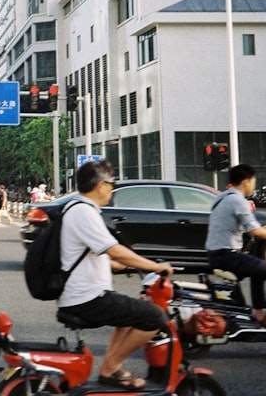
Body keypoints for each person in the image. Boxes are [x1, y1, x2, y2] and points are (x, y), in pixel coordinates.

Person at [57, 160, 173, 390]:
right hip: (86, 299)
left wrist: (114, 265)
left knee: (128, 315)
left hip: (85, 295)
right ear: (100, 185)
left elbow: (91, 253)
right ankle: (110, 367)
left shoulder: (79, 208)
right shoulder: (84, 211)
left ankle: (111, 368)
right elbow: (113, 248)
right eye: (112, 183)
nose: (112, 188)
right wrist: (154, 266)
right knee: (155, 317)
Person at [206, 163, 266, 332]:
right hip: (227, 256)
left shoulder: (223, 197)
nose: (254, 185)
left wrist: (262, 229)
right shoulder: (238, 201)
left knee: (257, 267)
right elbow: (255, 231)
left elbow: (242, 227)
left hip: (215, 254)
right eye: (253, 181)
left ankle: (258, 312)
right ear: (245, 182)